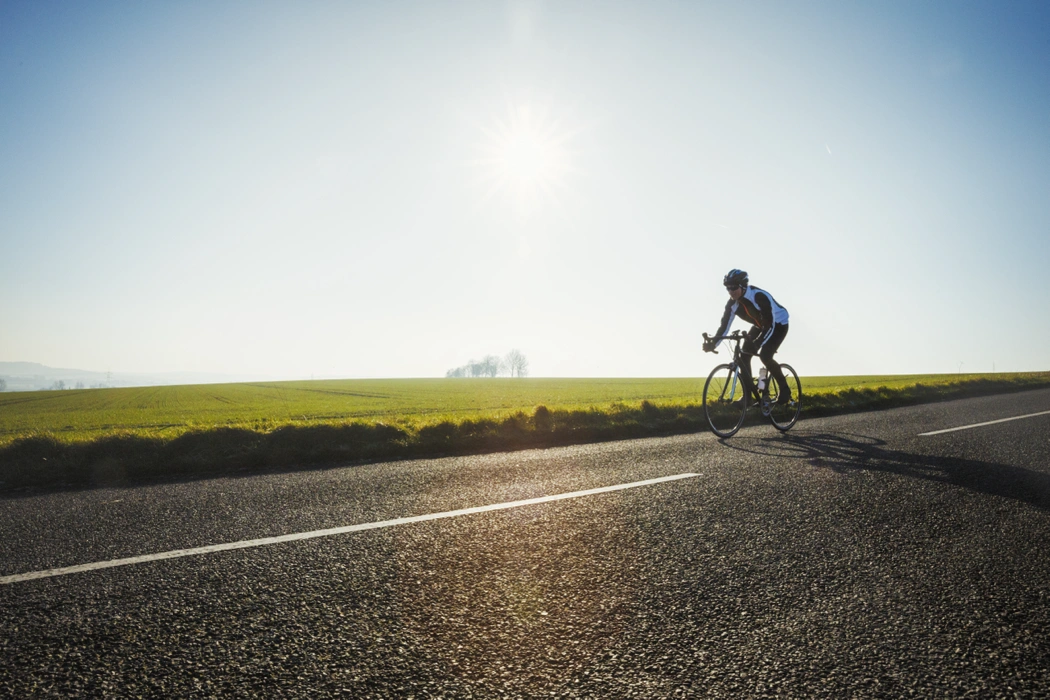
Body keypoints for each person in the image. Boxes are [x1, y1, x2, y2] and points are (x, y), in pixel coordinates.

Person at [702, 269, 792, 404]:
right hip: (759, 325)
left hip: (778, 324)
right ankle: (748, 398)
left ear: (743, 286)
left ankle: (784, 390)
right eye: (727, 288)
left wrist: (758, 342)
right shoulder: (732, 303)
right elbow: (724, 327)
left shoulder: (759, 297)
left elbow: (770, 325)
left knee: (765, 355)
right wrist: (713, 344)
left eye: (733, 287)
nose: (730, 291)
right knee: (743, 357)